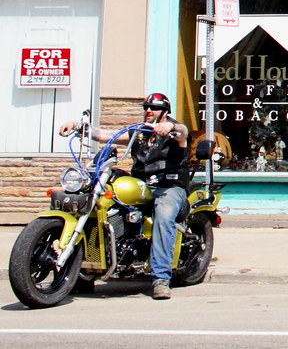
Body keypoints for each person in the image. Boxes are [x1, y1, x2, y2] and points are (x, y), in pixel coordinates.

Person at [59, 92, 190, 301]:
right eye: (146, 107)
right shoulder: (139, 132)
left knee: (164, 217)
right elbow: (104, 135)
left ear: (165, 112)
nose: (148, 110)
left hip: (169, 186)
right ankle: (84, 271)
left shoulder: (174, 131)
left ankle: (160, 278)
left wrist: (172, 128)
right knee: (102, 203)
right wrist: (77, 126)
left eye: (154, 108)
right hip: (141, 184)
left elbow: (183, 132)